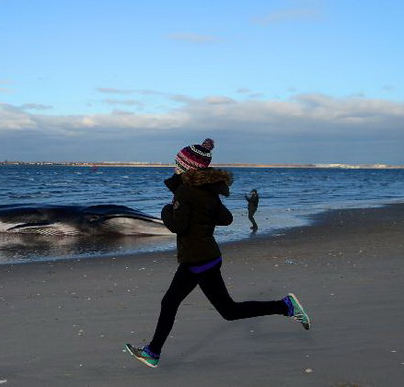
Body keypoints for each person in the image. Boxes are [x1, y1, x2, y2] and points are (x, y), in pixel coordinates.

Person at [124, 138, 310, 368]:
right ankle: (153, 352)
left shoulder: (187, 192)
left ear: (186, 168)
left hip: (199, 260)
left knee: (229, 311)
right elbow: (226, 218)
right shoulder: (204, 191)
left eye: (177, 163)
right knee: (170, 302)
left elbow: (178, 226)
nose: (174, 166)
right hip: (201, 257)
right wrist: (199, 214)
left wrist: (166, 210)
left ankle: (286, 306)